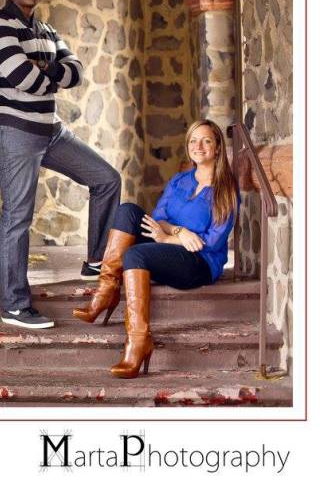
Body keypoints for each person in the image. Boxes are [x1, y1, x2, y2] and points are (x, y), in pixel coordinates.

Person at [0, 0, 121, 329]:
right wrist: (50, 72)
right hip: (15, 131)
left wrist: (48, 71)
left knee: (107, 178)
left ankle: (95, 260)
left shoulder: (45, 29)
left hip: (51, 130)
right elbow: (22, 77)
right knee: (18, 217)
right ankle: (13, 305)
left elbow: (75, 71)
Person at [72, 119, 239, 378]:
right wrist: (177, 232)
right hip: (170, 243)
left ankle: (138, 342)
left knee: (135, 254)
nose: (199, 146)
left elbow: (211, 242)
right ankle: (106, 291)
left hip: (199, 263)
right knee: (127, 210)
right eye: (194, 140)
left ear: (217, 147)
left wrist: (168, 238)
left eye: (206, 140)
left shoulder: (226, 189)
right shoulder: (179, 180)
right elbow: (157, 218)